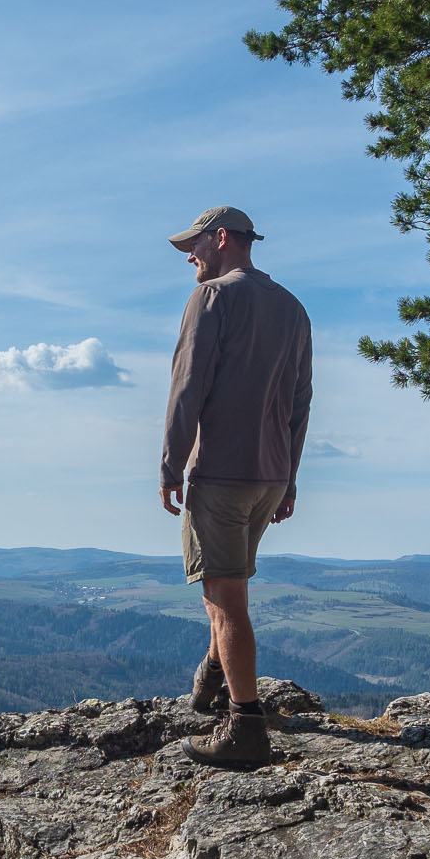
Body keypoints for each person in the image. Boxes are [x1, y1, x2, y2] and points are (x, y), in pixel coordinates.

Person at [158, 205, 313, 767]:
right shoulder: (293, 309)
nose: (190, 259)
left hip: (220, 473)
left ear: (222, 238)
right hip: (269, 477)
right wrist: (289, 477)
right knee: (229, 589)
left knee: (224, 602)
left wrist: (171, 464)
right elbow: (300, 402)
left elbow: (187, 387)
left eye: (194, 247)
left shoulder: (213, 298)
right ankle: (213, 676)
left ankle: (245, 725)